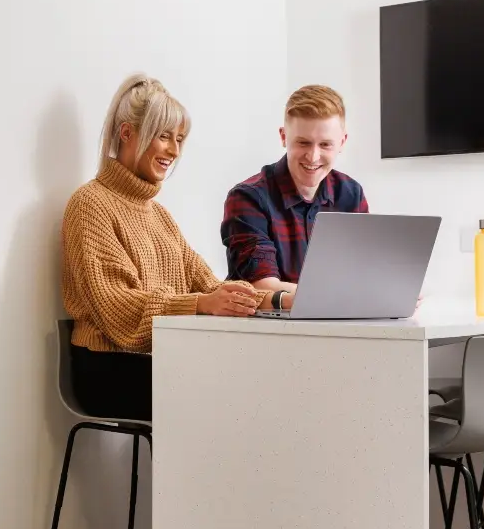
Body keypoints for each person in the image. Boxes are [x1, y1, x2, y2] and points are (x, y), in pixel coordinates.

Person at [61, 74, 290, 421]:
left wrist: (280, 300)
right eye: (164, 136)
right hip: (105, 366)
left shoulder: (160, 217)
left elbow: (212, 287)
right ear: (127, 133)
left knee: (264, 379)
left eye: (179, 139)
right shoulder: (90, 204)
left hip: (159, 359)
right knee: (239, 395)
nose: (174, 150)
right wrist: (200, 304)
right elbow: (117, 308)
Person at [220, 85, 367, 293]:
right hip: (266, 325)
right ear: (283, 137)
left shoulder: (351, 194)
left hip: (338, 322)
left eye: (325, 145)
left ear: (342, 142)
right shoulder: (247, 198)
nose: (313, 156)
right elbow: (262, 287)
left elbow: (363, 273)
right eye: (303, 143)